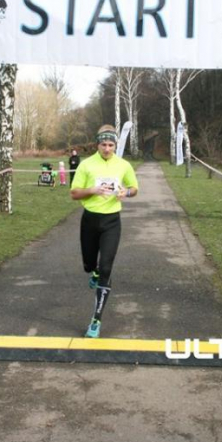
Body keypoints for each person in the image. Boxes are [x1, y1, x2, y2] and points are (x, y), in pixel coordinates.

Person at [70, 125, 139, 338]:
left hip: (112, 222)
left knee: (107, 267)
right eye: (103, 144)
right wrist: (92, 190)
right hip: (90, 221)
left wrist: (125, 192)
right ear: (97, 144)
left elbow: (135, 188)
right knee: (89, 265)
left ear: (115, 145)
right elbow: (74, 193)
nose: (107, 149)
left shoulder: (123, 165)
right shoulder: (87, 165)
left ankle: (96, 319)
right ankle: (94, 270)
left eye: (110, 145)